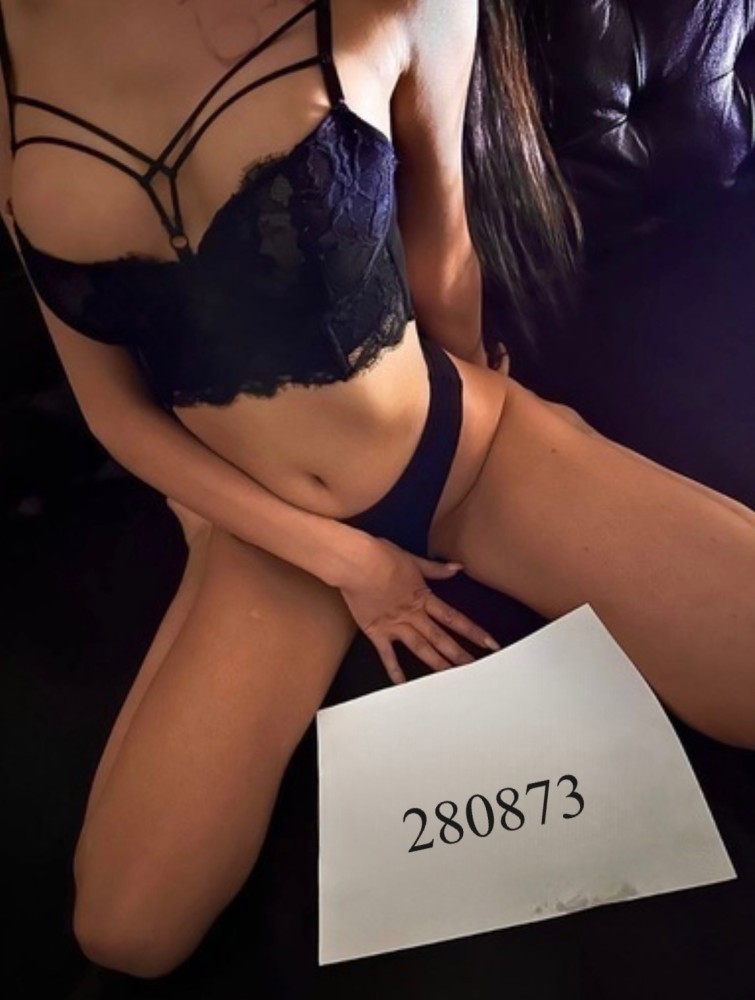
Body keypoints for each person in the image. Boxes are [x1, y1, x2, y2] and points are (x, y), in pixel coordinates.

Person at [1, 0, 753, 980]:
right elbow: (112, 410)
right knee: (127, 932)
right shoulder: (11, 61)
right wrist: (343, 559)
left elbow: (442, 251)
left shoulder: (395, 6)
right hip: (274, 537)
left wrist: (513, 435)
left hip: (455, 449)